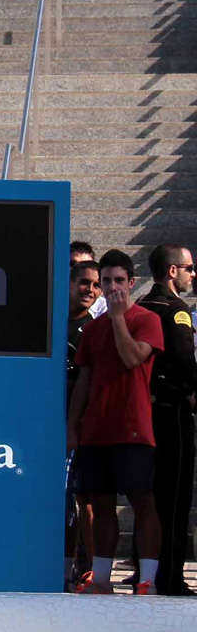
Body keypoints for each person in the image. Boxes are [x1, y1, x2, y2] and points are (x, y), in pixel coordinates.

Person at [67, 249, 164, 595]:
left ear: (132, 282)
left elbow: (132, 358)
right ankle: (101, 577)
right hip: (96, 429)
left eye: (118, 281)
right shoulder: (92, 330)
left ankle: (148, 579)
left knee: (142, 502)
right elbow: (84, 380)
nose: (111, 288)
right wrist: (72, 426)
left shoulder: (147, 320)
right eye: (106, 281)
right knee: (101, 504)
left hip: (133, 427)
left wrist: (119, 318)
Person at [135, 244, 197, 596]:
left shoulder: (141, 306)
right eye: (189, 268)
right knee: (174, 496)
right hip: (172, 412)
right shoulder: (177, 311)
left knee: (146, 497)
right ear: (172, 271)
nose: (192, 274)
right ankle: (170, 575)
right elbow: (186, 362)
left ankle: (142, 569)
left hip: (143, 414)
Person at [64, 259, 101, 588]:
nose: (90, 290)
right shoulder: (49, 324)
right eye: (84, 283)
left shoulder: (94, 330)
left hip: (77, 429)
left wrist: (73, 426)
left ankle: (82, 565)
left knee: (80, 499)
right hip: (40, 424)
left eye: (96, 285)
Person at [70, 241, 107, 316]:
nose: (78, 270)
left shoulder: (104, 308)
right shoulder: (49, 299)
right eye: (72, 264)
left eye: (86, 265)